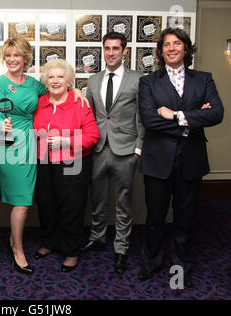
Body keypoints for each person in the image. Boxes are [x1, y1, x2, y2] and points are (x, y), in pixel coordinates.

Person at [0, 36, 88, 275]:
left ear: (25, 59)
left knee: (35, 198)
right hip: (10, 143)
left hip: (34, 143)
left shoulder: (34, 83)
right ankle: (17, 249)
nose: (12, 59)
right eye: (8, 55)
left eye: (17, 55)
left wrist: (77, 91)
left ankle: (18, 241)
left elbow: (57, 88)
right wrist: (0, 123)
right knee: (23, 201)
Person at [137, 28, 224, 287]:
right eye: (166, 45)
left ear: (186, 49)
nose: (172, 48)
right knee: (154, 218)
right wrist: (196, 116)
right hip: (157, 161)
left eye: (177, 43)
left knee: (185, 219)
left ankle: (181, 267)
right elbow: (150, 120)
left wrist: (176, 115)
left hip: (191, 160)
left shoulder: (204, 79)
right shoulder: (148, 82)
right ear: (161, 51)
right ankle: (151, 262)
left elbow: (217, 114)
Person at [83, 32, 144, 275]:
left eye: (115, 49)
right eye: (107, 48)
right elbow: (88, 115)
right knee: (97, 199)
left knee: (123, 202)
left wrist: (138, 148)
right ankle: (97, 237)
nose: (110, 53)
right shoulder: (93, 80)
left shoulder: (138, 79)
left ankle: (121, 248)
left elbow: (142, 116)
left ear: (124, 51)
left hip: (126, 150)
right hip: (98, 148)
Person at [33, 59, 99, 272]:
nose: (55, 80)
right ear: (45, 81)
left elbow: (93, 136)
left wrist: (66, 141)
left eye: (60, 76)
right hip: (44, 161)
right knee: (46, 204)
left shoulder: (80, 103)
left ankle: (71, 251)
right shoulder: (39, 102)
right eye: (51, 77)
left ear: (69, 81)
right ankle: (51, 242)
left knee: (71, 207)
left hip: (73, 162)